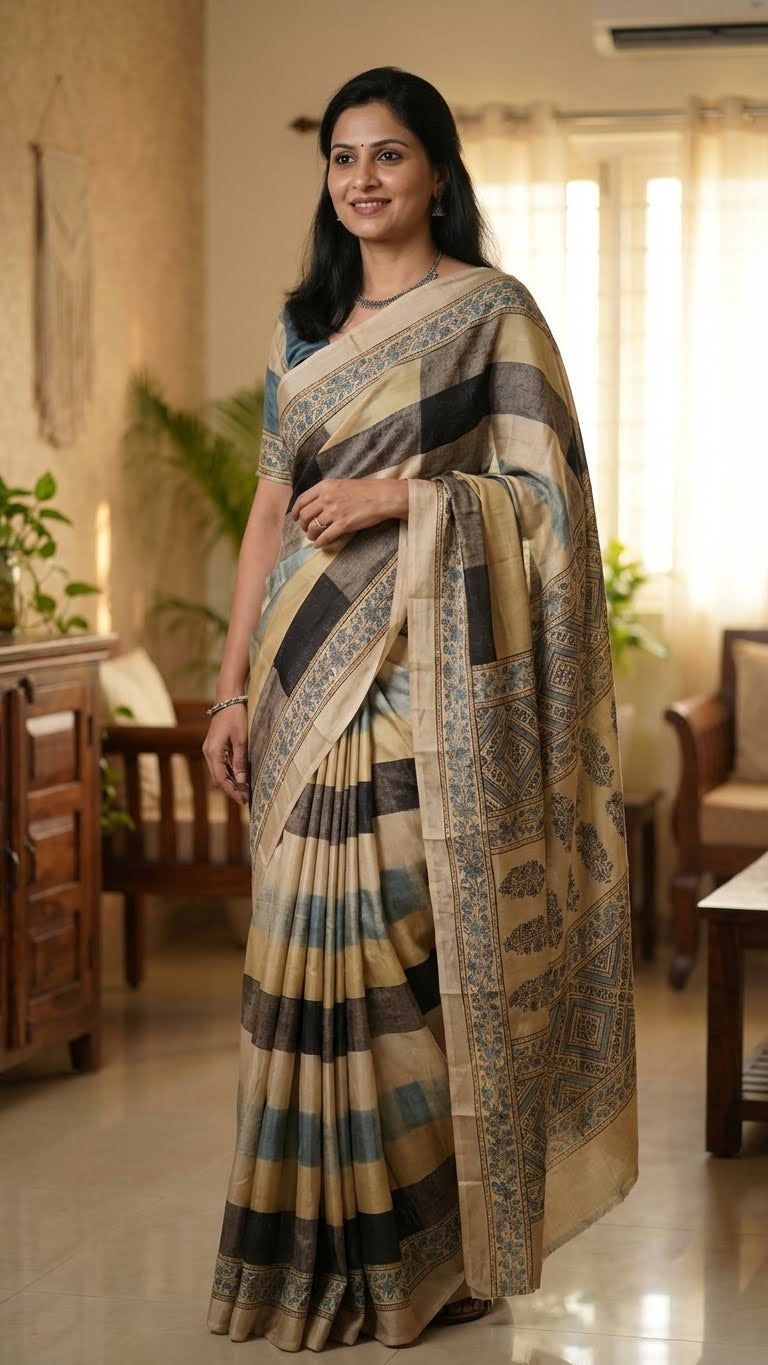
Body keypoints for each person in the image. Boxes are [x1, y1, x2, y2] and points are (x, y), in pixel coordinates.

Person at [204, 66, 638, 1354]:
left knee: (407, 948)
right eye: (342, 160)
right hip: (299, 685)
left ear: (436, 171)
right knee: (302, 958)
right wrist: (227, 688)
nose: (362, 181)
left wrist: (407, 501)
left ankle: (435, 1256)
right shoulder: (306, 334)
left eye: (388, 156)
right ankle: (316, 1257)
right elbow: (268, 515)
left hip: (426, 688)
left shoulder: (489, 313)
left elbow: (549, 500)